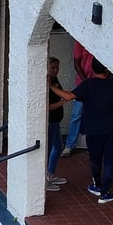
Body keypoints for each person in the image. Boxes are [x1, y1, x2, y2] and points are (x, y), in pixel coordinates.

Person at [54, 59, 113, 204]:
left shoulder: (87, 85)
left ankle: (97, 186)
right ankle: (105, 193)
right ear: (107, 69)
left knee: (95, 159)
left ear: (92, 70)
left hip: (93, 129)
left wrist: (50, 85)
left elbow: (68, 96)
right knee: (110, 161)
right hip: (111, 129)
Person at [62, 41, 96, 156]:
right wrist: (86, 82)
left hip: (97, 83)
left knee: (94, 115)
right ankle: (69, 145)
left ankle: (92, 145)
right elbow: (76, 63)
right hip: (83, 83)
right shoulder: (80, 41)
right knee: (76, 115)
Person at [45, 57, 69, 191]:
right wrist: (63, 101)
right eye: (52, 68)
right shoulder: (46, 83)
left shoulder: (53, 81)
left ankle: (50, 173)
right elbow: (47, 107)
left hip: (56, 121)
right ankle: (45, 178)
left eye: (57, 68)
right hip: (50, 121)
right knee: (48, 150)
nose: (55, 71)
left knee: (58, 146)